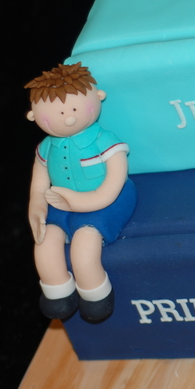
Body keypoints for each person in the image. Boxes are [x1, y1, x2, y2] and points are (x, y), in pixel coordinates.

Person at [25, 63, 136, 323]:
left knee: (84, 248)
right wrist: (37, 208)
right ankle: (58, 291)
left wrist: (78, 201)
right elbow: (39, 185)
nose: (69, 118)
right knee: (44, 245)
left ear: (99, 97)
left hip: (108, 202)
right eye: (58, 112)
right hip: (59, 202)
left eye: (74, 109)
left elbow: (112, 186)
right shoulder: (46, 148)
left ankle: (96, 295)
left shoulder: (104, 141)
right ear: (33, 116)